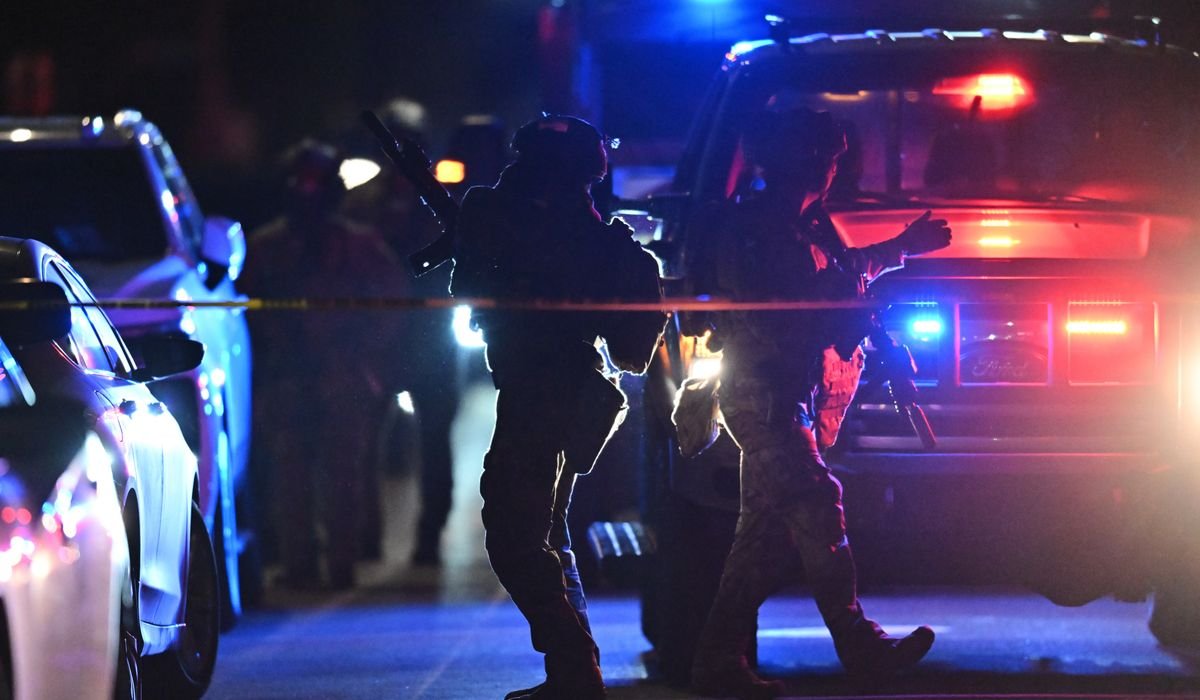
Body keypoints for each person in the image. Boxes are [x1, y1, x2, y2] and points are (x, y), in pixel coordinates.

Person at [685, 108, 952, 698]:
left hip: (793, 396)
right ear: (799, 161)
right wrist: (846, 299)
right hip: (765, 396)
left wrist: (897, 253)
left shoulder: (806, 227)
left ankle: (717, 662)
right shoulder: (754, 231)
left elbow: (842, 277)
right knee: (817, 500)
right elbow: (785, 314)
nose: (830, 171)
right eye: (825, 159)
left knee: (762, 540)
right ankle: (861, 645)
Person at [451, 115, 665, 700]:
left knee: (513, 537)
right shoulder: (596, 242)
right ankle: (576, 676)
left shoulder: (527, 228)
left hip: (544, 395)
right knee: (548, 534)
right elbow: (633, 353)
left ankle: (572, 662)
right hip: (571, 395)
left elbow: (466, 291)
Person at [239, 138, 403, 590]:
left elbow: (393, 302)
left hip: (342, 371)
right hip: (290, 373)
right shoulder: (265, 247)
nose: (306, 193)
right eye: (300, 183)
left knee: (343, 474)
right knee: (291, 475)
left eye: (315, 183)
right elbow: (243, 311)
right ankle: (301, 565)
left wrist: (360, 348)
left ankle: (340, 564)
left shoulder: (358, 245)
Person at [341, 99, 461, 565]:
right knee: (362, 441)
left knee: (435, 441)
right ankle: (365, 536)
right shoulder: (363, 200)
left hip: (430, 334)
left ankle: (429, 536)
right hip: (379, 336)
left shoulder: (444, 195)